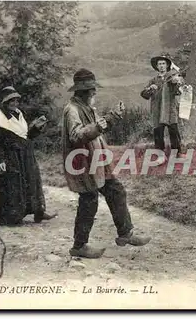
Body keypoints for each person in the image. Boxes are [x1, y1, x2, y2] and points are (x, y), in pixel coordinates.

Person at [62, 68, 151, 259]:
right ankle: (79, 246)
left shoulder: (87, 108)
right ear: (83, 91)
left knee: (116, 190)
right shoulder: (73, 110)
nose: (94, 92)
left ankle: (125, 234)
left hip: (98, 160)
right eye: (91, 89)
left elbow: (97, 128)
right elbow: (76, 135)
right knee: (89, 200)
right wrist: (99, 125)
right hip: (83, 163)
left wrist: (112, 117)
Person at [0, 86, 57, 226]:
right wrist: (0, 160)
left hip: (26, 155)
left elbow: (26, 137)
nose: (15, 103)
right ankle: (13, 217)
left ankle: (38, 212)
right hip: (11, 156)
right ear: (5, 103)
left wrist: (36, 127)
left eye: (16, 100)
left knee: (32, 181)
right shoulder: (0, 120)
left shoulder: (19, 114)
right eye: (11, 101)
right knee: (14, 185)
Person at [140, 54, 185, 163]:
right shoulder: (153, 80)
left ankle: (177, 154)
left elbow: (178, 92)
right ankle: (161, 155)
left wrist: (177, 83)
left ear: (167, 65)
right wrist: (150, 89)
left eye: (163, 63)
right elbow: (144, 95)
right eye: (159, 64)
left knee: (174, 131)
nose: (161, 66)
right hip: (157, 110)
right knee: (158, 132)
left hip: (170, 109)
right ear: (156, 66)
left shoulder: (172, 78)